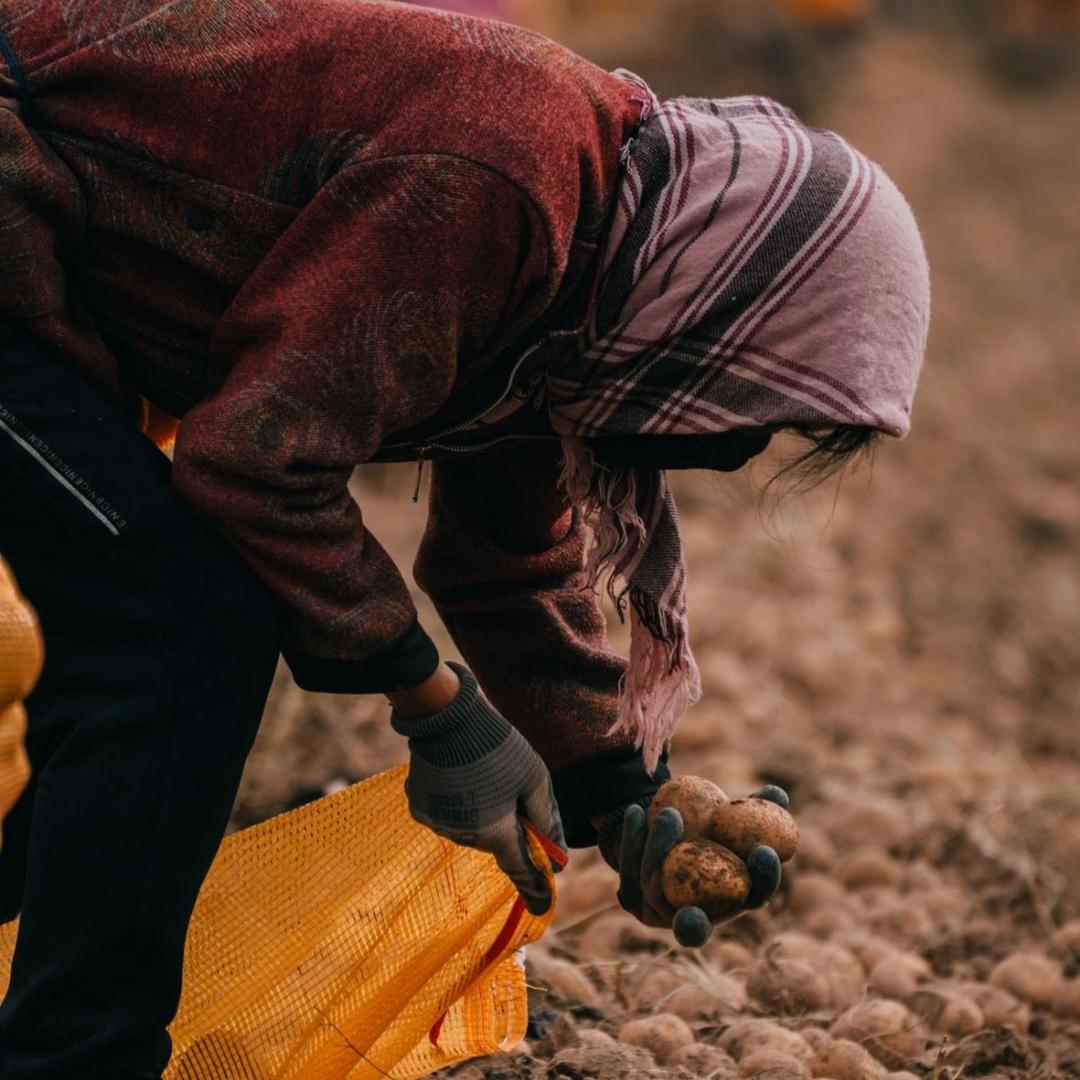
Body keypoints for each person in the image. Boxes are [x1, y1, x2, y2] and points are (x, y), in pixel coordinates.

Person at [0, 1, 929, 1076]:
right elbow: (256, 457)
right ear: (723, 300)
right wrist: (433, 704)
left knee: (119, 635)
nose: (732, 446)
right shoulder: (510, 183)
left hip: (39, 269)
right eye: (758, 403)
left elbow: (506, 560)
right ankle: (72, 1059)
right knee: (176, 622)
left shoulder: (577, 284)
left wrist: (620, 791)